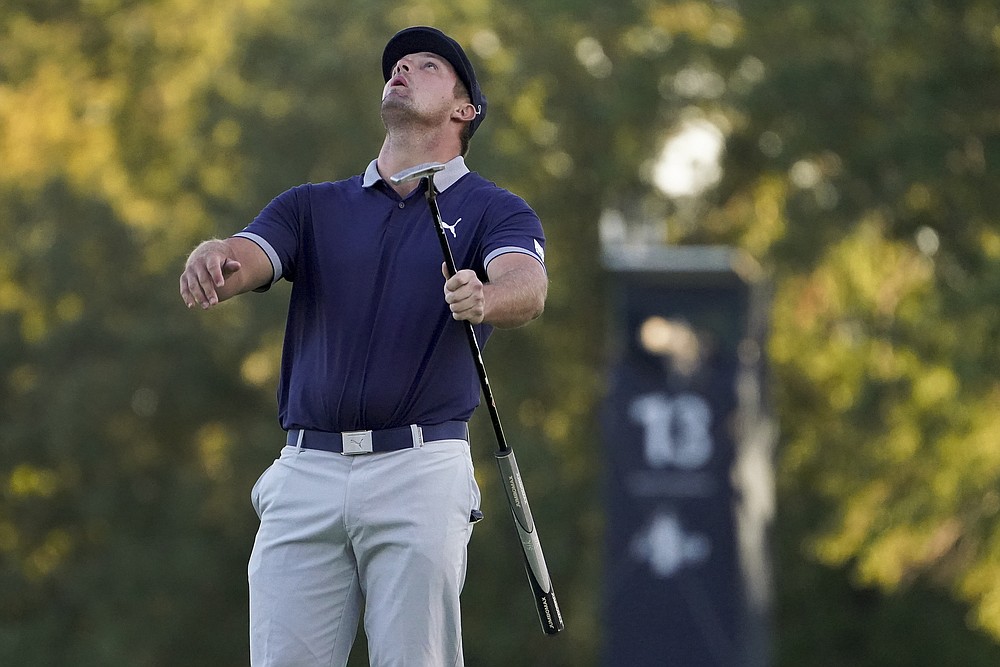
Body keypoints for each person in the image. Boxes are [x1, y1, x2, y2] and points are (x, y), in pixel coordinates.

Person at [178, 26, 548, 667]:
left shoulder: (494, 209)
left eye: (427, 65)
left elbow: (527, 283)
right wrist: (214, 257)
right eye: (397, 64)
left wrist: (486, 297)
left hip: (420, 467)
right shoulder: (311, 207)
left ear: (466, 110)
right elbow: (247, 258)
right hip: (306, 471)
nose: (402, 68)